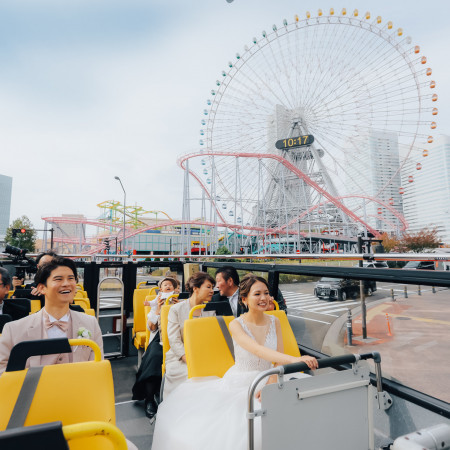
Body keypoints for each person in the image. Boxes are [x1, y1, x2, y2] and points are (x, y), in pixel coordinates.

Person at [151, 274, 318, 450]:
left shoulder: (275, 321)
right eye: (257, 294)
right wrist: (297, 359)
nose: (264, 298)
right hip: (243, 381)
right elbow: (257, 350)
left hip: (272, 375)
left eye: (266, 293)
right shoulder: (236, 325)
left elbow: (278, 355)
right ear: (244, 299)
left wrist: (272, 379)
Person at [0, 256, 103, 374]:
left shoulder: (91, 323)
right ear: (42, 288)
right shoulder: (14, 330)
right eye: (58, 279)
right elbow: (4, 375)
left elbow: (97, 369)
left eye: (71, 278)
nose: (66, 284)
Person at [162, 271, 216, 398]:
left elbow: (211, 338)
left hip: (203, 354)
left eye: (213, 288)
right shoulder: (176, 309)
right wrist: (189, 359)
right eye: (208, 287)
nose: (212, 291)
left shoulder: (211, 310)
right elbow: (174, 340)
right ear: (195, 288)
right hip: (180, 357)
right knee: (190, 374)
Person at [132, 277, 179, 419]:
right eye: (165, 285)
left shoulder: (180, 304)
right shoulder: (154, 306)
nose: (168, 287)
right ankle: (150, 399)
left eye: (171, 286)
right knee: (155, 357)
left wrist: (177, 307)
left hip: (177, 337)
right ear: (160, 291)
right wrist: (158, 308)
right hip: (160, 338)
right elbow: (151, 327)